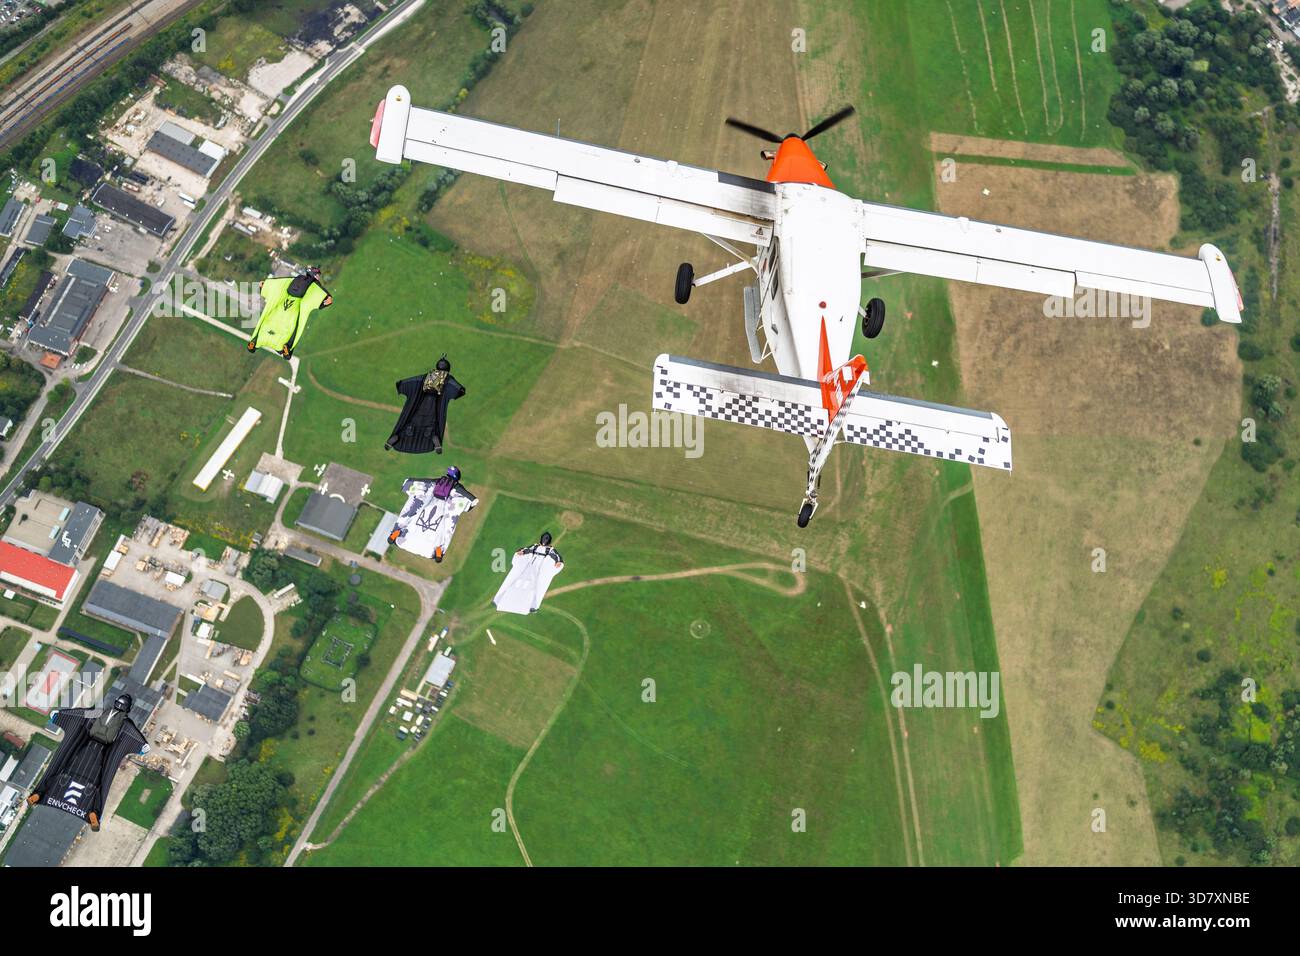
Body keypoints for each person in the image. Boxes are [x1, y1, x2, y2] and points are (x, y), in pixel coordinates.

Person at [27, 694, 149, 831]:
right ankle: (93, 813)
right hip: (99, 756)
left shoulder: (98, 712)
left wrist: (59, 715)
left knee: (58, 775)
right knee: (100, 784)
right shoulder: (126, 724)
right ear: (129, 708)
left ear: (115, 702)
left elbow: (81, 713)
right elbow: (136, 739)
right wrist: (142, 746)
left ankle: (39, 795)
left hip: (82, 752)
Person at [387, 466, 478, 562]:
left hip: (405, 540)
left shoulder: (432, 484)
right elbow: (472, 503)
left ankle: (396, 533)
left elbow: (407, 484)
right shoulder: (457, 491)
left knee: (413, 508)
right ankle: (439, 550)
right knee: (448, 524)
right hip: (429, 549)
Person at [384, 355, 466, 454]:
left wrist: (401, 386)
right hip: (434, 407)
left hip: (419, 406)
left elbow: (402, 384)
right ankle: (434, 439)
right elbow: (459, 390)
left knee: (409, 423)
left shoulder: (425, 376)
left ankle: (397, 438)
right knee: (432, 426)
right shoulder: (448, 379)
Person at [247, 265, 333, 359]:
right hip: (293, 311)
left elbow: (279, 283)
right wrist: (329, 298)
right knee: (295, 330)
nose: (318, 277)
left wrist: (264, 286)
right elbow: (322, 297)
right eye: (318, 275)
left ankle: (255, 343)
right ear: (315, 274)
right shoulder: (314, 286)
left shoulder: (294, 279)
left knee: (267, 321)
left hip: (281, 307)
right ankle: (287, 349)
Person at [492, 531, 565, 615]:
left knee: (535, 585)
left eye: (546, 540)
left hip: (538, 568)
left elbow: (557, 557)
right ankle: (501, 599)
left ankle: (533, 605)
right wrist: (522, 552)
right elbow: (527, 549)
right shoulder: (535, 546)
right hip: (529, 566)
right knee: (518, 580)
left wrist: (558, 562)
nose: (544, 541)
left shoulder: (550, 550)